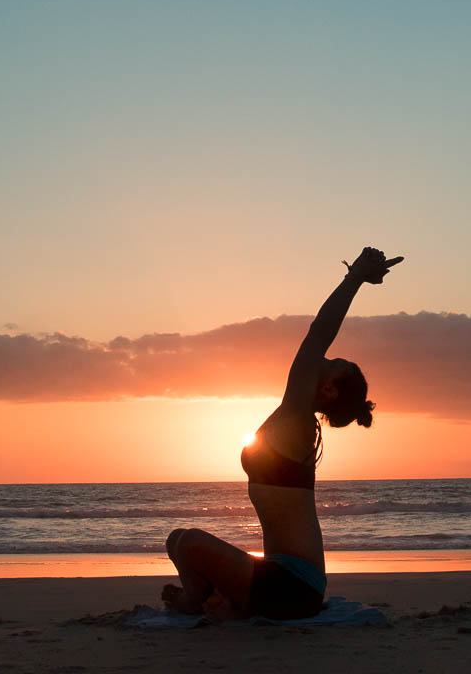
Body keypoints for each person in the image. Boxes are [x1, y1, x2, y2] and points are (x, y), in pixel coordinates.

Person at [161, 246, 403, 620]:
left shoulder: (297, 420)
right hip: (280, 576)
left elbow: (317, 334)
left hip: (295, 585)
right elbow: (315, 344)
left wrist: (354, 278)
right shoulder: (294, 418)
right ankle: (212, 596)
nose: (321, 360)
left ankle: (198, 600)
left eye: (331, 364)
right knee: (177, 539)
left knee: (190, 542)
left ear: (329, 390)